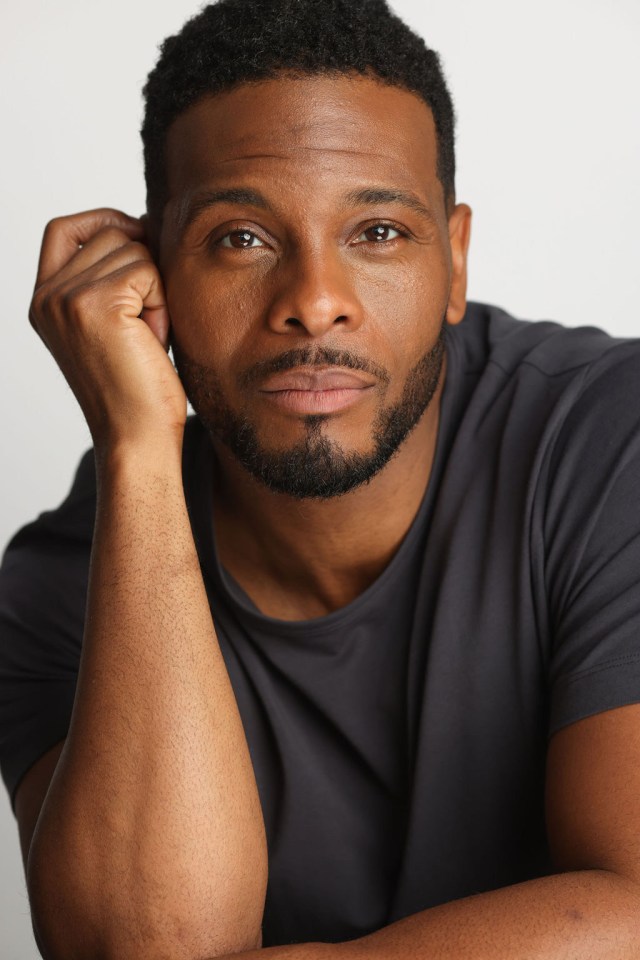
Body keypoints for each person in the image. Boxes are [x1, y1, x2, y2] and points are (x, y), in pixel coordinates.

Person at [2, 0, 640, 957]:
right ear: (152, 272)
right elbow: (146, 944)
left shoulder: (611, 438)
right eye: (241, 238)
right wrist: (136, 447)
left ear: (454, 259)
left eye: (377, 231)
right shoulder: (62, 583)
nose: (314, 303)